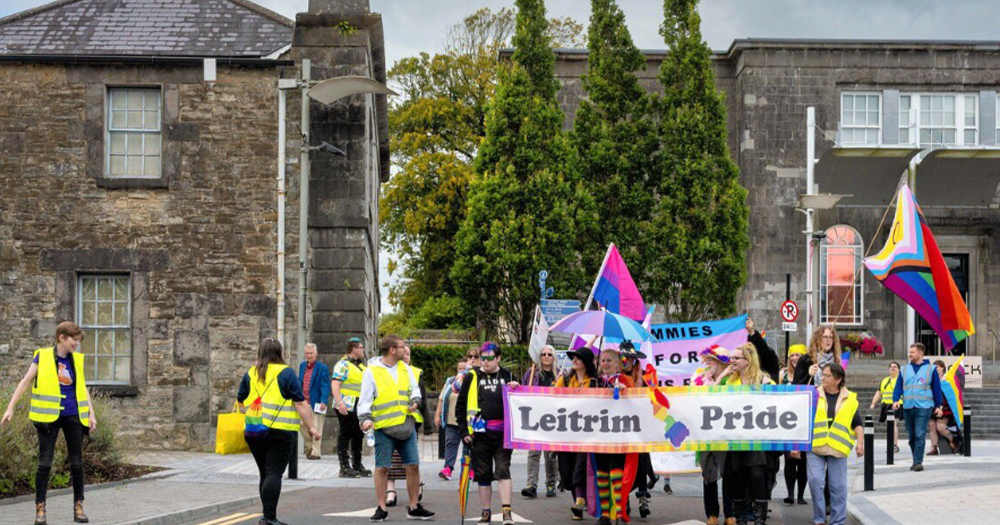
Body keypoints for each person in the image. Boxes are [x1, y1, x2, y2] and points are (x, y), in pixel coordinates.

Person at [2, 322, 97, 525]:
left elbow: (82, 387)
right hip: (48, 418)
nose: (77, 344)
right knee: (45, 464)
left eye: (79, 340)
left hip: (74, 416)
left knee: (77, 464)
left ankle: (79, 507)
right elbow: (26, 381)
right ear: (62, 337)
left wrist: (92, 414)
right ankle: (40, 509)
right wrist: (10, 407)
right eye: (75, 339)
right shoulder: (43, 356)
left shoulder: (76, 360)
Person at [237, 338, 322, 525]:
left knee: (264, 473)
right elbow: (300, 402)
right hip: (280, 431)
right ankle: (269, 518)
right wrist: (311, 427)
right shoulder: (286, 373)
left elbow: (241, 399)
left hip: (254, 430)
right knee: (274, 472)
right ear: (279, 352)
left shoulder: (251, 373)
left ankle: (266, 515)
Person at [358, 335, 435, 521]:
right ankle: (381, 507)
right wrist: (365, 420)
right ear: (392, 350)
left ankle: (414, 506)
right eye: (402, 347)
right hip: (383, 429)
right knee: (382, 468)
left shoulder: (405, 369)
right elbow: (365, 400)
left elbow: (415, 391)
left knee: (413, 466)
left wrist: (415, 402)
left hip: (406, 428)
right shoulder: (372, 371)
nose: (405, 350)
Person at [456, 342, 520, 525]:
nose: (485, 361)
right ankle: (486, 512)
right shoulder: (472, 376)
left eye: (489, 358)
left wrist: (517, 387)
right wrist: (463, 432)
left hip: (503, 435)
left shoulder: (507, 375)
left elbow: (521, 402)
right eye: (482, 358)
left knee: (502, 470)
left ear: (498, 358)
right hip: (479, 435)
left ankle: (507, 512)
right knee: (483, 474)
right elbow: (461, 407)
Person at [800, 363, 863, 525]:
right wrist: (796, 445)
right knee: (815, 482)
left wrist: (860, 443)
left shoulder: (850, 399)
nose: (823, 378)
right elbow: (802, 419)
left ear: (838, 379)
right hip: (815, 446)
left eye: (827, 375)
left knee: (838, 487)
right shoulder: (813, 394)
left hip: (837, 448)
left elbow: (857, 423)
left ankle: (838, 521)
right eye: (822, 374)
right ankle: (819, 518)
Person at [720, 343, 774, 525]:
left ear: (747, 361)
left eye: (736, 358)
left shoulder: (763, 381)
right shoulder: (730, 382)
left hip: (756, 439)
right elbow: (713, 398)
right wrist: (722, 375)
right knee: (738, 480)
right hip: (736, 439)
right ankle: (741, 520)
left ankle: (759, 521)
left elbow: (779, 402)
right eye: (732, 358)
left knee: (758, 478)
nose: (732, 361)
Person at [592, 348, 637, 525]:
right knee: (601, 472)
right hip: (598, 433)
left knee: (616, 472)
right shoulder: (595, 382)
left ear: (617, 363)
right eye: (603, 360)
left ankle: (618, 512)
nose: (605, 364)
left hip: (618, 434)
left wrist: (624, 391)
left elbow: (634, 401)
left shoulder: (625, 380)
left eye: (609, 361)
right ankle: (604, 514)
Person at [691, 345, 734, 525]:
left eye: (711, 360)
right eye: (706, 359)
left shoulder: (732, 381)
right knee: (709, 475)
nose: (707, 363)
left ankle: (730, 514)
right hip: (707, 435)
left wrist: (724, 377)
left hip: (726, 434)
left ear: (721, 363)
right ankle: (712, 514)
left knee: (729, 475)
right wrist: (720, 378)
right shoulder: (699, 379)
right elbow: (704, 397)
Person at [556, 347, 598, 521]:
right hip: (566, 433)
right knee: (566, 474)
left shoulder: (596, 382)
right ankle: (578, 500)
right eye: (573, 357)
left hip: (587, 434)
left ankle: (579, 503)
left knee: (580, 469)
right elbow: (547, 397)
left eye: (578, 358)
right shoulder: (565, 379)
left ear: (586, 363)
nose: (574, 360)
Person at [892, 342, 943, 472]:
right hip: (908, 406)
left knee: (919, 434)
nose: (910, 354)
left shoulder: (931, 369)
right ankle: (916, 458)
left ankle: (917, 462)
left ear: (920, 353)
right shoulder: (904, 369)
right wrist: (896, 400)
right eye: (909, 352)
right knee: (912, 436)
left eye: (912, 352)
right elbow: (899, 386)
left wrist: (939, 405)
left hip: (924, 407)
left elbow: (936, 388)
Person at [620, 342, 656, 519]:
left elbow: (653, 397)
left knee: (641, 459)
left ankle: (642, 497)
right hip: (619, 427)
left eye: (629, 358)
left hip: (639, 426)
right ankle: (624, 498)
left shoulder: (644, 377)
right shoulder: (614, 377)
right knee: (622, 463)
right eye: (623, 357)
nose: (626, 360)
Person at [387, 345, 426, 505]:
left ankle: (418, 485)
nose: (405, 356)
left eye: (408, 354)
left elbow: (422, 397)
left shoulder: (416, 372)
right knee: (390, 458)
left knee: (411, 459)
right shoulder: (388, 372)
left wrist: (428, 424)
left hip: (410, 423)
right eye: (403, 353)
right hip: (389, 421)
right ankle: (391, 491)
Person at [521, 345, 560, 499]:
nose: (546, 357)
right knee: (533, 452)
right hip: (535, 418)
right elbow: (523, 391)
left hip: (553, 419)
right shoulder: (531, 374)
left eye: (549, 354)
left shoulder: (559, 375)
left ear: (554, 357)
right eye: (543, 354)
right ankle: (531, 484)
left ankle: (551, 483)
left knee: (550, 454)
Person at [331, 337, 370, 477]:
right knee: (346, 434)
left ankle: (357, 464)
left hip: (358, 404)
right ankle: (344, 467)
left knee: (358, 433)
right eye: (361, 347)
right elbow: (335, 384)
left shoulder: (360, 366)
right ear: (354, 350)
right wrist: (340, 402)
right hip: (346, 404)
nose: (363, 350)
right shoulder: (343, 365)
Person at [781, 345, 808, 507]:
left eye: (798, 355)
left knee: (803, 460)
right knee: (789, 458)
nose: (794, 358)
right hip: (787, 422)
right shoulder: (782, 374)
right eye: (792, 355)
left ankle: (801, 495)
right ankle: (790, 494)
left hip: (804, 420)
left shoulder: (808, 375)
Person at [435, 358, 469, 480]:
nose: (461, 370)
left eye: (464, 368)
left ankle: (468, 470)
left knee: (468, 446)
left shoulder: (470, 381)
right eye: (460, 368)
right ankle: (448, 469)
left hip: (466, 422)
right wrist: (437, 414)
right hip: (451, 420)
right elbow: (442, 398)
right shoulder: (451, 381)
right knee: (450, 445)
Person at [298, 343, 330, 461]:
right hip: (303, 402)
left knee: (317, 427)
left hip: (316, 402)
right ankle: (308, 448)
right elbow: (299, 382)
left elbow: (325, 386)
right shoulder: (302, 366)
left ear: (316, 354)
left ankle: (315, 452)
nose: (309, 355)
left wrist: (323, 401)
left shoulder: (322, 368)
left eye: (311, 353)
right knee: (303, 426)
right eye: (307, 353)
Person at [927, 360, 959, 456]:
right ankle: (934, 448)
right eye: (934, 367)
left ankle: (953, 441)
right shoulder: (930, 380)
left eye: (938, 367)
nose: (936, 369)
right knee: (932, 426)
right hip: (932, 405)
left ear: (942, 368)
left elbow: (951, 394)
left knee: (940, 427)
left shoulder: (946, 380)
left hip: (944, 406)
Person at [869, 361, 902, 453]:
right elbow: (879, 392)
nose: (893, 368)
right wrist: (873, 403)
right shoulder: (884, 380)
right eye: (891, 367)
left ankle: (894, 445)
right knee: (889, 424)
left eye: (895, 367)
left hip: (896, 404)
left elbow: (903, 392)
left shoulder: (900, 380)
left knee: (892, 423)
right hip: (885, 405)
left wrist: (899, 402)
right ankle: (892, 444)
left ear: (899, 369)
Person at [745, 318, 780, 383]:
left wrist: (752, 332)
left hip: (768, 372)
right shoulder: (749, 338)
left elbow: (762, 349)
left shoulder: (767, 353)